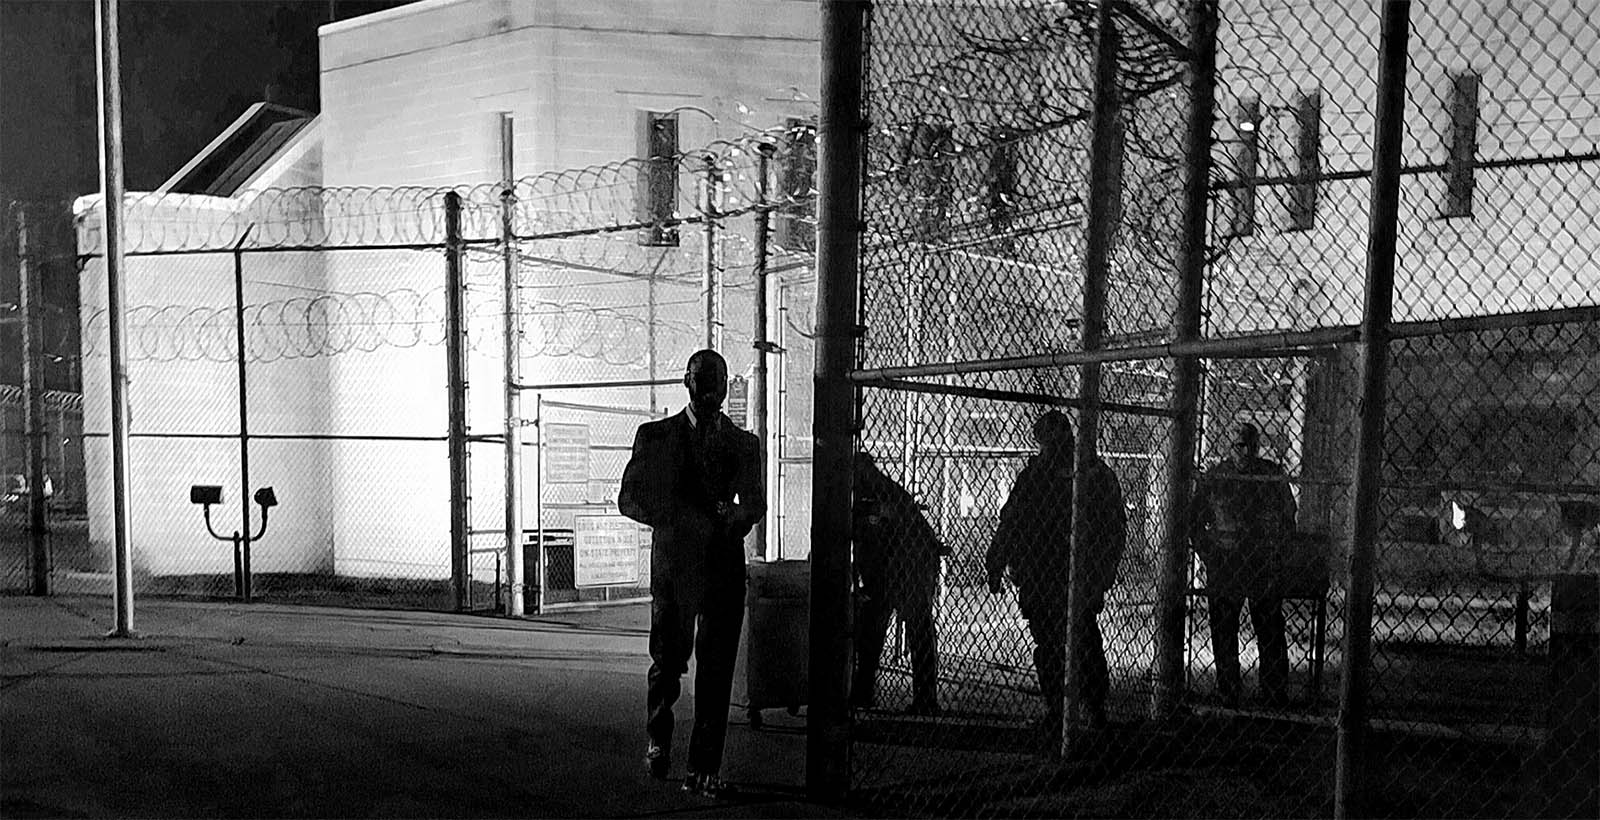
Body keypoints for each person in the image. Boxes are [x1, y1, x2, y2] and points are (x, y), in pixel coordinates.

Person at [618, 349, 765, 798]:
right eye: (703, 381)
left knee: (717, 671)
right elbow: (629, 498)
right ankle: (659, 739)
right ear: (687, 382)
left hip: (722, 568)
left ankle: (703, 767)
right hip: (676, 569)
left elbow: (754, 505)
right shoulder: (656, 436)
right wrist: (673, 518)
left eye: (718, 382)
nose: (711, 392)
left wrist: (733, 517)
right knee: (668, 662)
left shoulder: (743, 444)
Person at [985, 410, 1126, 736]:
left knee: (1080, 639)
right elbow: (1011, 521)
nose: (1049, 448)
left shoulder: (1088, 473)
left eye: (1053, 440)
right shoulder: (1042, 475)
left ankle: (1089, 709)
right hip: (1042, 574)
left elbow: (1113, 527)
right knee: (1053, 643)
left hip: (1071, 573)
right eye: (1045, 442)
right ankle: (1065, 710)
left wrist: (1103, 570)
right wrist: (997, 561)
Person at [1189, 421, 1297, 707]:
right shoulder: (1216, 477)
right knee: (1224, 629)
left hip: (1261, 561)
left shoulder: (1270, 475)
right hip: (1226, 561)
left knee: (1270, 627)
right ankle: (1228, 689)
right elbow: (1195, 522)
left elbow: (1288, 519)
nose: (1246, 452)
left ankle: (1273, 691)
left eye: (1251, 445)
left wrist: (1278, 555)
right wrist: (1209, 555)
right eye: (1239, 445)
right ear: (1229, 447)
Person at [851, 451, 947, 716]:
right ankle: (866, 691)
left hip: (907, 568)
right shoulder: (875, 492)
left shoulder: (877, 494)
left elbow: (878, 536)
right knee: (876, 629)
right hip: (892, 568)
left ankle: (920, 697)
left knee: (906, 628)